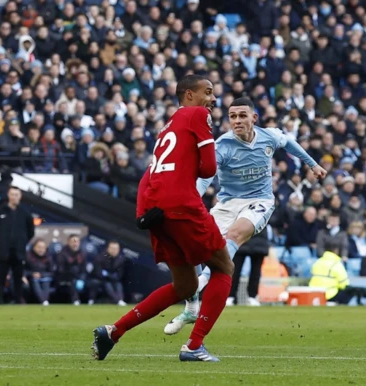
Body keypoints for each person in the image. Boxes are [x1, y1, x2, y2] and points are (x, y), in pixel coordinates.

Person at [92, 74, 234, 362]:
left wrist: (142, 213)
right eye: (207, 92)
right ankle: (194, 346)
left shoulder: (167, 127)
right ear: (189, 94)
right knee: (223, 267)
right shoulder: (197, 114)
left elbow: (151, 173)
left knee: (186, 287)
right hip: (181, 203)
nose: (213, 99)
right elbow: (208, 169)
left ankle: (113, 332)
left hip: (154, 208)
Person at [164, 97, 327, 335]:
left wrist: (313, 165)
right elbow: (205, 178)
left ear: (254, 118)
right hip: (228, 203)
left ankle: (201, 283)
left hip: (259, 201)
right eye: (233, 116)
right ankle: (192, 307)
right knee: (196, 248)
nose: (237, 120)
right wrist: (190, 201)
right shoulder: (222, 146)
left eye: (242, 115)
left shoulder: (268, 136)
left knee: (234, 235)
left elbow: (289, 142)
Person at [0, 186, 35, 304]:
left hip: (19, 252)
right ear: (8, 195)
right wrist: (1, 241)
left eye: (17, 194)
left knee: (18, 279)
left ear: (20, 196)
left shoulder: (25, 213)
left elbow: (31, 231)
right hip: (3, 252)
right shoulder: (0, 211)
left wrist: (22, 242)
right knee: (0, 279)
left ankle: (17, 301)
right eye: (12, 194)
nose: (14, 197)